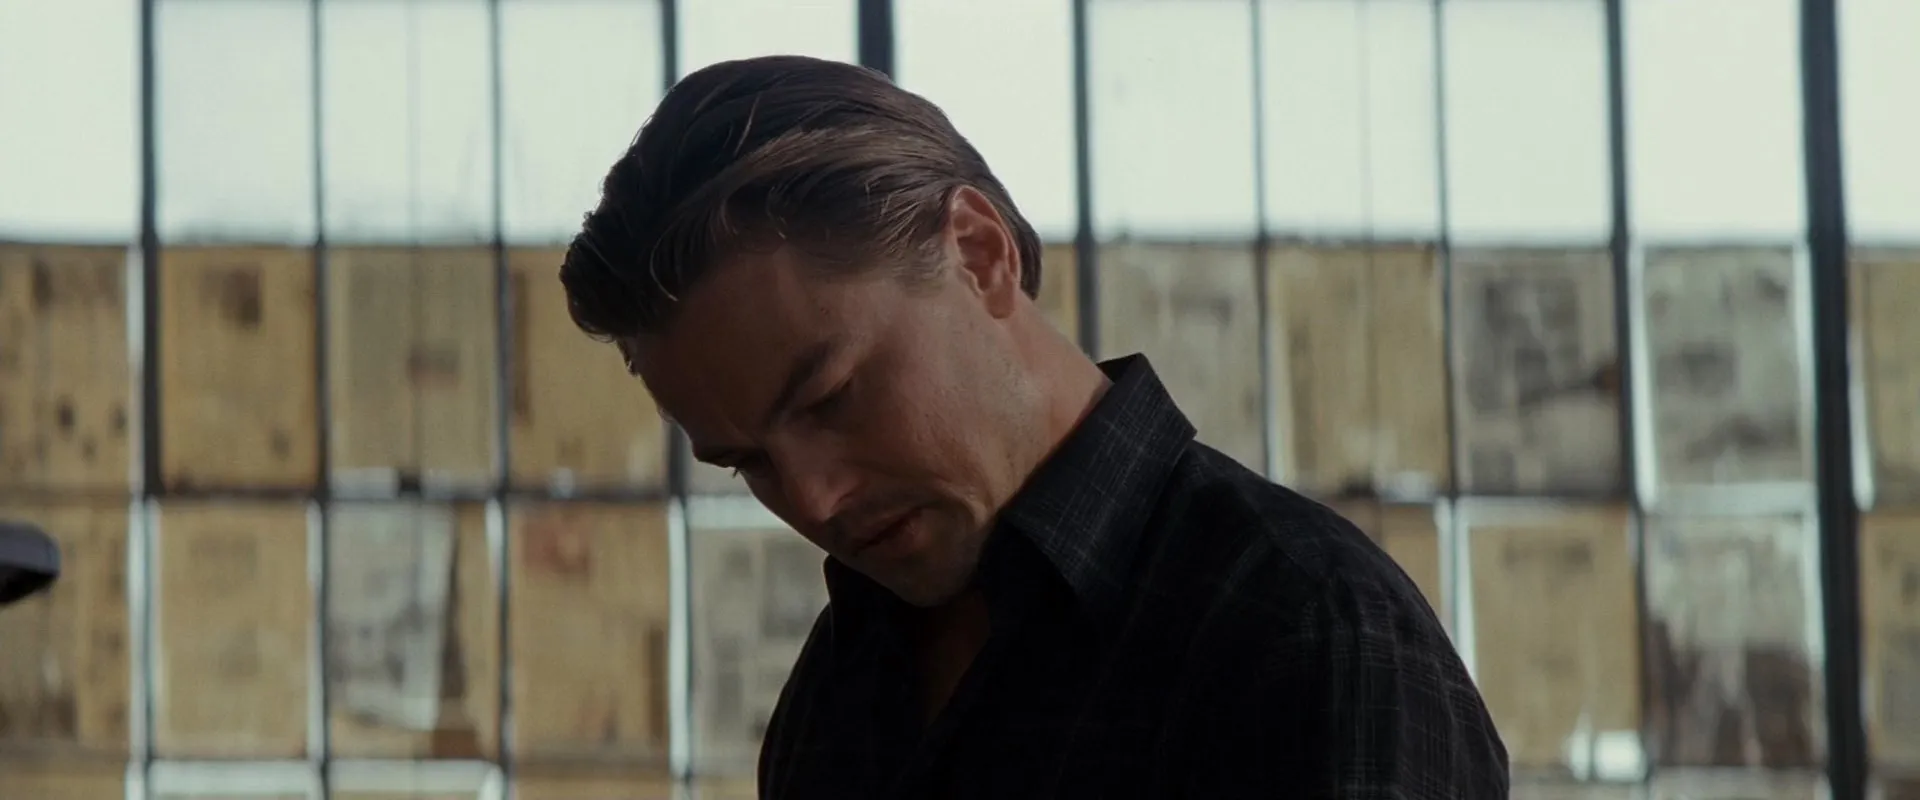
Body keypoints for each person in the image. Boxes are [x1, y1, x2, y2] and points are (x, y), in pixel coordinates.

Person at [559, 54, 1508, 798]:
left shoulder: (1306, 630)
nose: (813, 500)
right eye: (748, 463)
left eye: (829, 398)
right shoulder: (843, 682)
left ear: (979, 254)